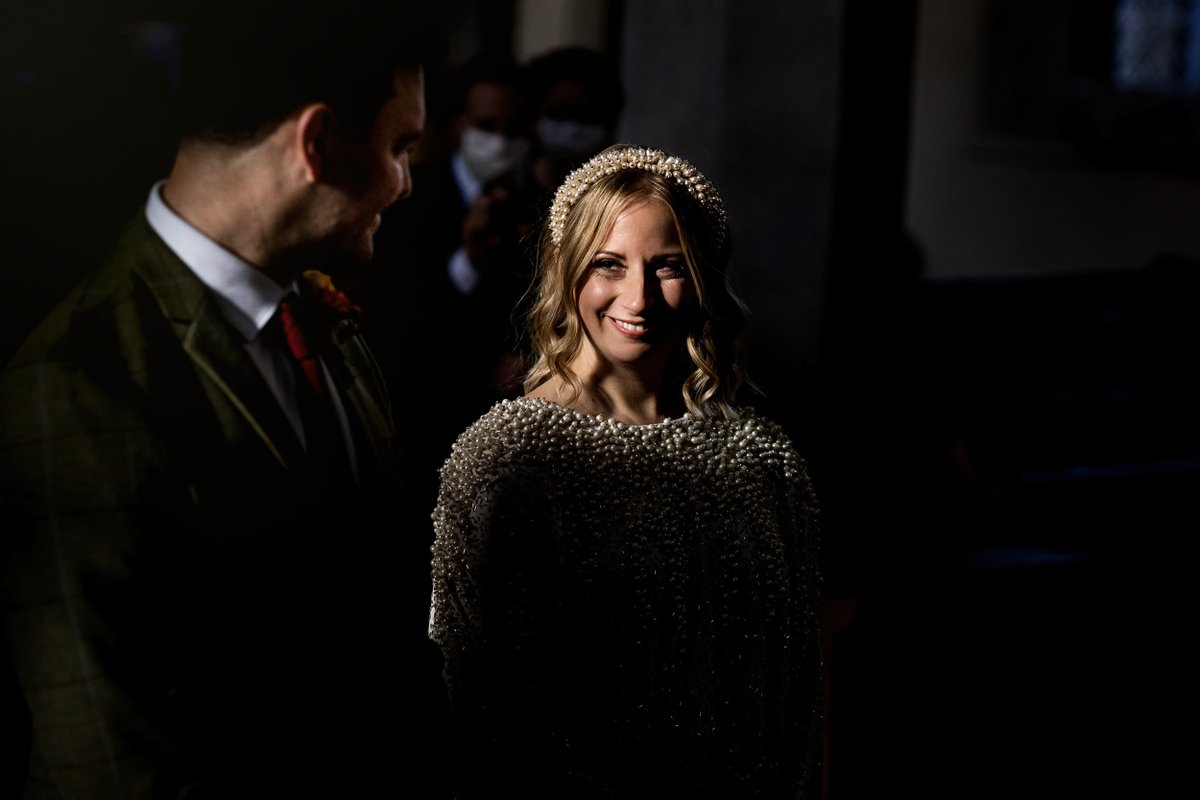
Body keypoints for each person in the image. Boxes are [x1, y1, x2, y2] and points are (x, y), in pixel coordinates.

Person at [0, 4, 449, 797]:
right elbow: (105, 760)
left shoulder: (324, 316)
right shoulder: (76, 382)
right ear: (317, 143)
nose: (406, 182)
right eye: (399, 147)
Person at [429, 144, 825, 799]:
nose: (638, 298)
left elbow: (797, 689)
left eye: (668, 266)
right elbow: (476, 701)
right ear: (567, 271)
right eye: (608, 265)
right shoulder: (506, 457)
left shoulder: (764, 461)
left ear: (703, 278)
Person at [367, 51, 531, 523]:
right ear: (459, 124)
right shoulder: (407, 198)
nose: (500, 140)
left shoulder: (544, 200)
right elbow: (396, 316)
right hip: (425, 419)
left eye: (513, 127)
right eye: (487, 125)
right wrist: (467, 260)